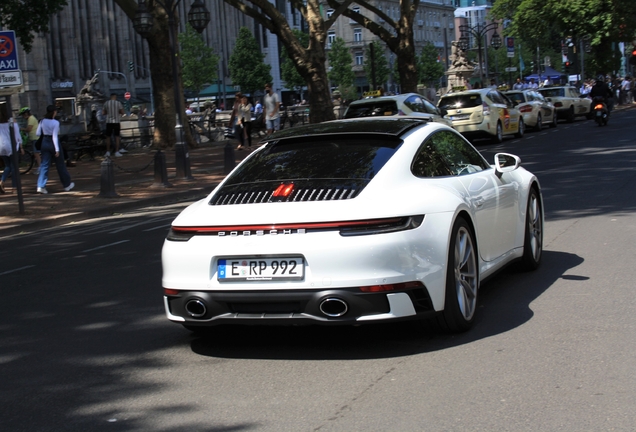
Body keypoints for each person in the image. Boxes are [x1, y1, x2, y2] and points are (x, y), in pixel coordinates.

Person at [35, 105, 74, 194]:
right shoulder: (55, 123)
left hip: (44, 142)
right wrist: (57, 149)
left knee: (44, 165)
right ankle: (67, 184)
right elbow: (55, 137)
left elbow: (37, 133)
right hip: (53, 143)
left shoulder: (42, 121)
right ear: (54, 112)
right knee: (60, 165)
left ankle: (41, 186)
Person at [0, 106, 23, 194]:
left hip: (2, 146)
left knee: (7, 165)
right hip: (12, 146)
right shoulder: (13, 123)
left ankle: (2, 181)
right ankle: (14, 187)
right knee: (14, 167)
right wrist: (21, 147)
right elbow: (17, 136)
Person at [19, 107, 41, 175]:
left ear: (26, 113)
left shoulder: (31, 118)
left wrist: (22, 129)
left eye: (23, 115)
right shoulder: (30, 119)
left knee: (36, 154)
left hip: (35, 138)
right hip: (34, 138)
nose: (23, 117)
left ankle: (40, 168)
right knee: (36, 153)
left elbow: (29, 129)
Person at [102, 93, 125, 157]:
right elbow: (122, 112)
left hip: (109, 121)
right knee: (117, 137)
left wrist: (108, 112)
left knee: (108, 137)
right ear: (115, 97)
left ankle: (108, 151)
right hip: (116, 121)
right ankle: (117, 151)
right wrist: (118, 112)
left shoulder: (106, 103)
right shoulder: (118, 103)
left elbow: (103, 113)